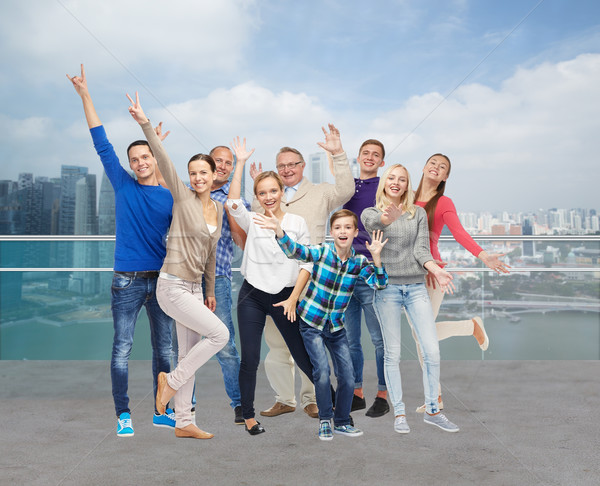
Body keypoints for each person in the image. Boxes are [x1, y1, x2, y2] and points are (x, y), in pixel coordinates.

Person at [67, 65, 175, 437]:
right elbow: (101, 141)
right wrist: (85, 94)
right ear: (130, 165)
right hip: (126, 282)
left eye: (147, 157)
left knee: (166, 352)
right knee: (122, 350)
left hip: (162, 282)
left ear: (156, 159)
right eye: (135, 160)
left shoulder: (170, 197)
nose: (141, 162)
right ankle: (123, 414)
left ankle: (163, 411)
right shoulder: (124, 186)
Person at [127, 92, 229, 440]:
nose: (198, 177)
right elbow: (163, 159)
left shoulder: (217, 210)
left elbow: (212, 255)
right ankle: (168, 382)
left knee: (189, 351)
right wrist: (144, 121)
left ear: (215, 174)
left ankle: (183, 421)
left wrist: (211, 292)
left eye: (204, 172)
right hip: (172, 285)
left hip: (196, 288)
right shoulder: (182, 197)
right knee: (220, 335)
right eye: (193, 173)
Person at [250, 126, 355, 419]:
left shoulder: (321, 192)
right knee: (276, 343)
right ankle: (284, 398)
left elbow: (346, 190)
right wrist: (255, 186)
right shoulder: (270, 197)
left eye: (292, 164)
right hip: (275, 281)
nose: (286, 169)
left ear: (302, 166)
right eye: (281, 166)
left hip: (312, 279)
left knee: (310, 342)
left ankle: (312, 398)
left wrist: (338, 153)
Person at [256, 208, 388, 441]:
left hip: (336, 328)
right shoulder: (322, 251)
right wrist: (279, 231)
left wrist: (376, 257)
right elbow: (296, 251)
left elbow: (379, 284)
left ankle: (343, 422)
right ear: (331, 232)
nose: (343, 231)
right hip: (312, 324)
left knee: (347, 376)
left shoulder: (358, 262)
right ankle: (325, 420)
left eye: (348, 227)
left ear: (355, 232)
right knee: (322, 373)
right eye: (338, 228)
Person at [363, 164, 460, 433]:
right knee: (392, 354)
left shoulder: (417, 213)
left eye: (402, 179)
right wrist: (388, 219)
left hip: (416, 287)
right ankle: (400, 414)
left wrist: (436, 270)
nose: (396, 182)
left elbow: (421, 251)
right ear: (384, 182)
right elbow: (374, 224)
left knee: (431, 350)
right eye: (391, 178)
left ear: (408, 185)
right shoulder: (370, 212)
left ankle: (432, 410)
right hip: (386, 291)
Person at [412, 153, 511, 412]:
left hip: (432, 274)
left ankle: (436, 397)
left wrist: (484, 255)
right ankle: (470, 326)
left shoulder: (443, 202)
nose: (436, 167)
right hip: (407, 274)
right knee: (420, 335)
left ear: (445, 177)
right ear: (423, 167)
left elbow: (459, 233)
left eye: (442, 167)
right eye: (432, 162)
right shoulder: (407, 197)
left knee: (422, 336)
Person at [226, 164, 314, 435]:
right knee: (250, 358)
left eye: (273, 190)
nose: (268, 196)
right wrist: (239, 162)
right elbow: (231, 203)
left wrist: (293, 299)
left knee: (302, 354)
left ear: (282, 191)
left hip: (285, 296)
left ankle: (332, 401)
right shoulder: (251, 219)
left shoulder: (296, 222)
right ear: (257, 196)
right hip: (252, 294)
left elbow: (307, 262)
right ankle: (249, 417)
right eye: (262, 192)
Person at [342, 139, 389, 417]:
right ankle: (356, 393)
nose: (370, 158)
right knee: (349, 339)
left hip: (371, 271)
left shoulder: (385, 188)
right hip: (346, 271)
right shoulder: (347, 188)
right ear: (358, 157)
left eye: (376, 155)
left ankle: (383, 394)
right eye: (366, 153)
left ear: (381, 162)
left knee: (379, 339)